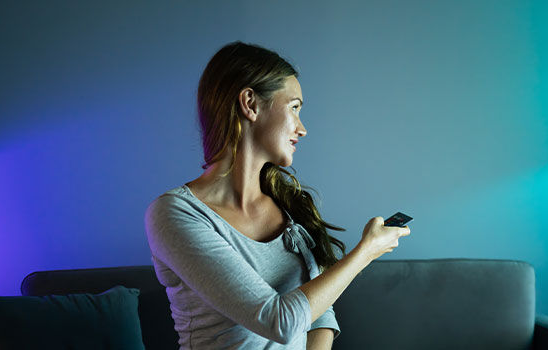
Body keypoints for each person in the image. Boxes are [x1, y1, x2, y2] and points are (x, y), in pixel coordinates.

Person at [143, 41, 410, 350]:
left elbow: (320, 315)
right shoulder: (174, 214)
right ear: (250, 104)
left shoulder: (290, 207)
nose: (302, 128)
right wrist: (366, 252)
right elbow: (277, 322)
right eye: (294, 107)